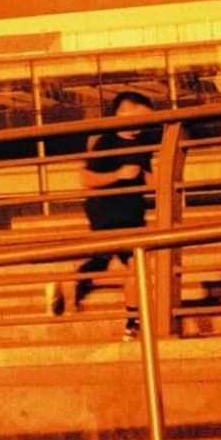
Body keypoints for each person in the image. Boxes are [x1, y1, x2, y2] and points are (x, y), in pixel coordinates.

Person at [50, 90, 156, 336]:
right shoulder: (105, 141)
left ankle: (71, 281)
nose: (145, 123)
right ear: (123, 112)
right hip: (109, 213)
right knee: (136, 265)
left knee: (105, 262)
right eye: (141, 117)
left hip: (133, 212)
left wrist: (148, 178)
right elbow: (86, 178)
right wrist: (118, 175)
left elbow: (149, 178)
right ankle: (133, 323)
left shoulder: (142, 144)